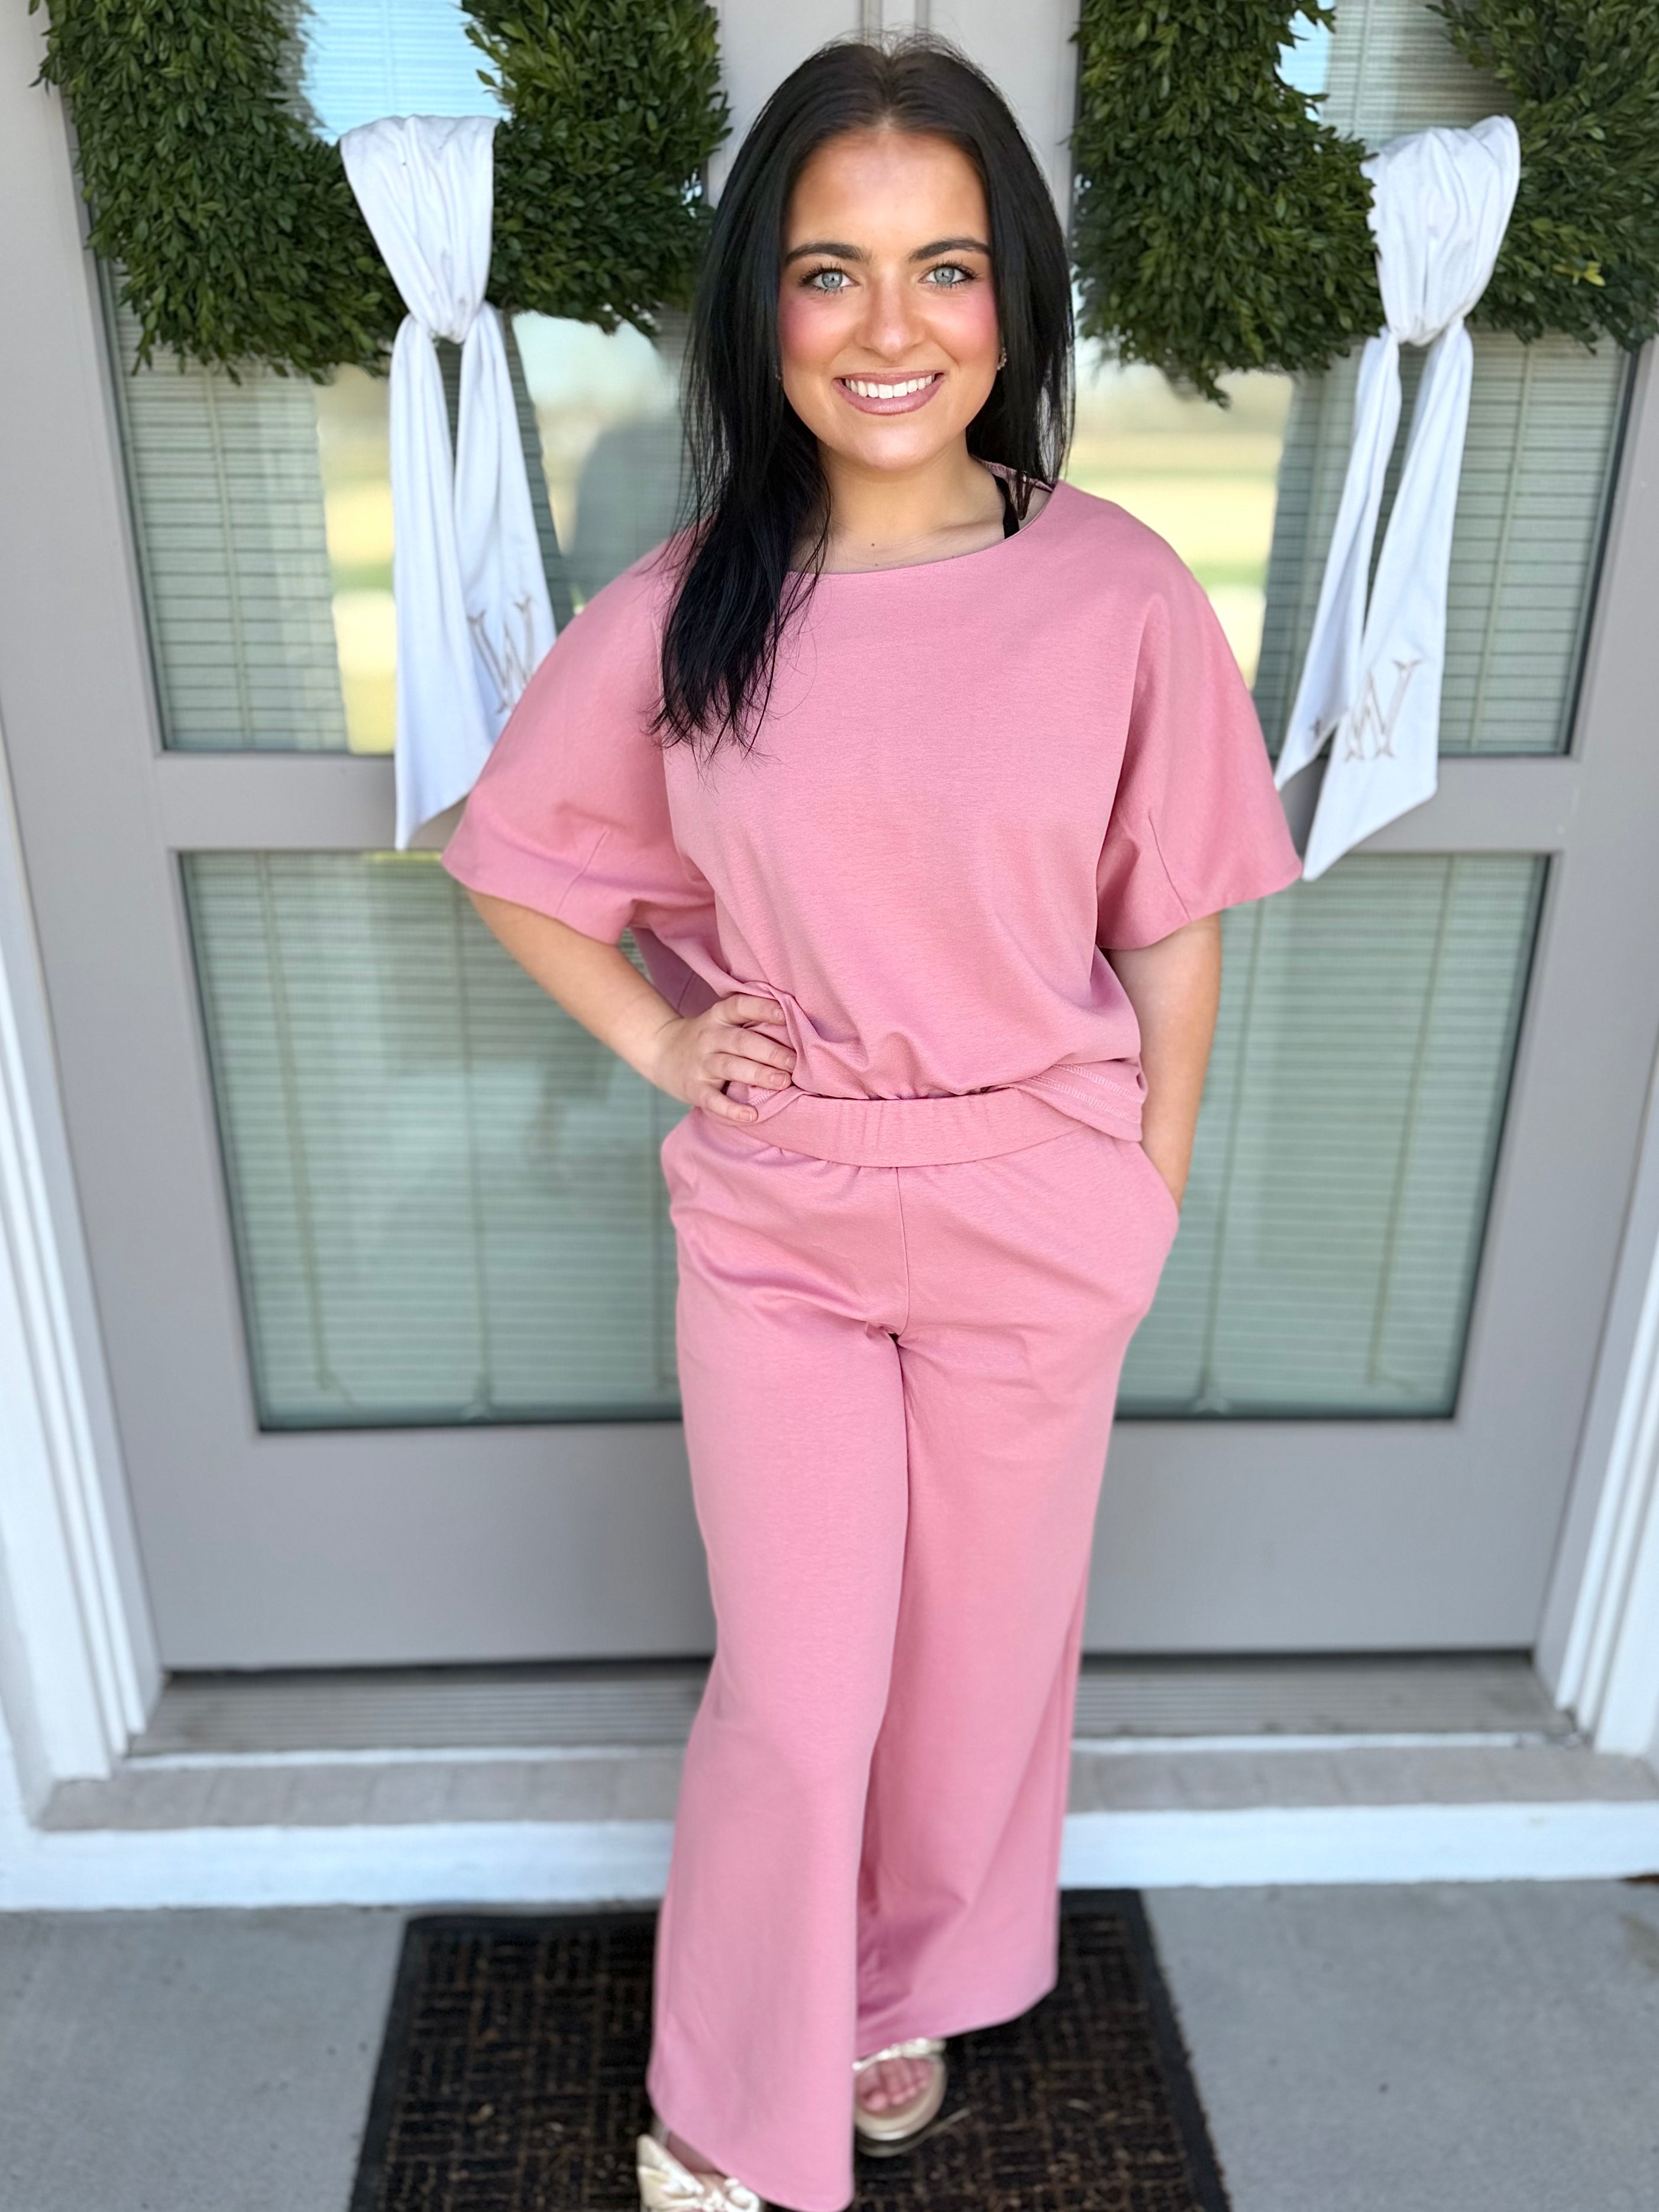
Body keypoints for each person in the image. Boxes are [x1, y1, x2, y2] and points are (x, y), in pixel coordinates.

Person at [440, 32, 1301, 2212]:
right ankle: (738, 2107)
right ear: (765, 305)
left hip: (1038, 1201)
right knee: (804, 1693)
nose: (889, 328)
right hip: (789, 1217)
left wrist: (1144, 1191)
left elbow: (1173, 922)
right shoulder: (689, 606)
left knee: (978, 1670)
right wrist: (664, 1049)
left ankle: (891, 1983)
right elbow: (519, 864)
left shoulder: (1117, 591)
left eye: (947, 268)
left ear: (1016, 300)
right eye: (831, 272)